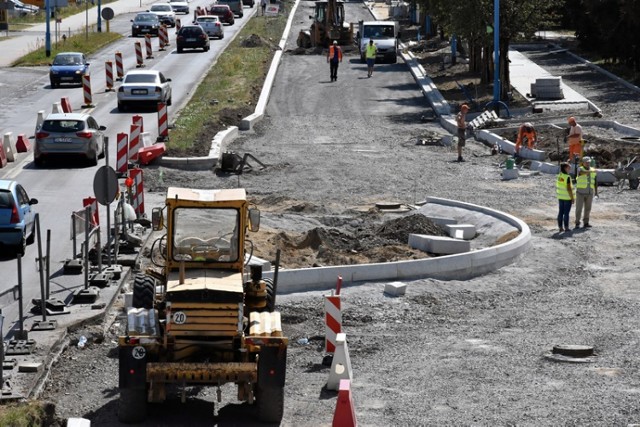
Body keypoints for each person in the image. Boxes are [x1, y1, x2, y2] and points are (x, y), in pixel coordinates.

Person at [574, 156, 598, 229]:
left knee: (588, 208)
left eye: (589, 162)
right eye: (586, 162)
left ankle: (586, 222)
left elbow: (595, 182)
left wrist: (596, 192)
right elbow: (581, 173)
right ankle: (577, 223)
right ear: (583, 163)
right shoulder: (580, 169)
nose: (588, 163)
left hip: (589, 192)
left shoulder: (593, 170)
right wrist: (591, 171)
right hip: (580, 192)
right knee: (579, 208)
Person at [556, 162, 574, 232]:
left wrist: (567, 162)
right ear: (565, 168)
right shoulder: (567, 177)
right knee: (566, 213)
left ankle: (560, 227)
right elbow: (569, 189)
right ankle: (566, 227)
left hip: (560, 197)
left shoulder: (560, 175)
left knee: (560, 212)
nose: (570, 169)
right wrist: (572, 198)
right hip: (567, 198)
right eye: (569, 167)